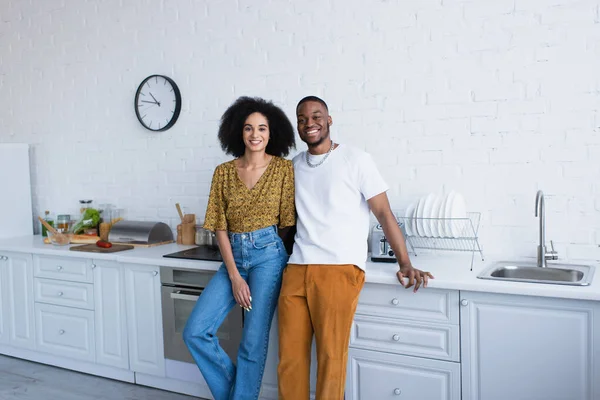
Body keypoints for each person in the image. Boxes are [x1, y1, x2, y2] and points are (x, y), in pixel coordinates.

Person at [277, 96, 434, 399]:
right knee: (289, 362)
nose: (309, 123)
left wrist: (405, 263)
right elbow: (286, 221)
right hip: (296, 269)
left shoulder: (356, 159)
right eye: (302, 118)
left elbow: (384, 213)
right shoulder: (293, 167)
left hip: (339, 269)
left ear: (329, 120)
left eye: (316, 116)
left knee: (330, 359)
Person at [183, 96, 296, 400]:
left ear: (272, 133)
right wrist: (234, 276)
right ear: (239, 132)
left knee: (252, 342)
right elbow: (219, 225)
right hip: (233, 257)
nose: (255, 134)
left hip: (269, 256)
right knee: (195, 331)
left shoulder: (284, 170)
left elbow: (286, 222)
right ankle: (237, 393)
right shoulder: (223, 172)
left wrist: (266, 250)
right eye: (248, 128)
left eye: (262, 128)